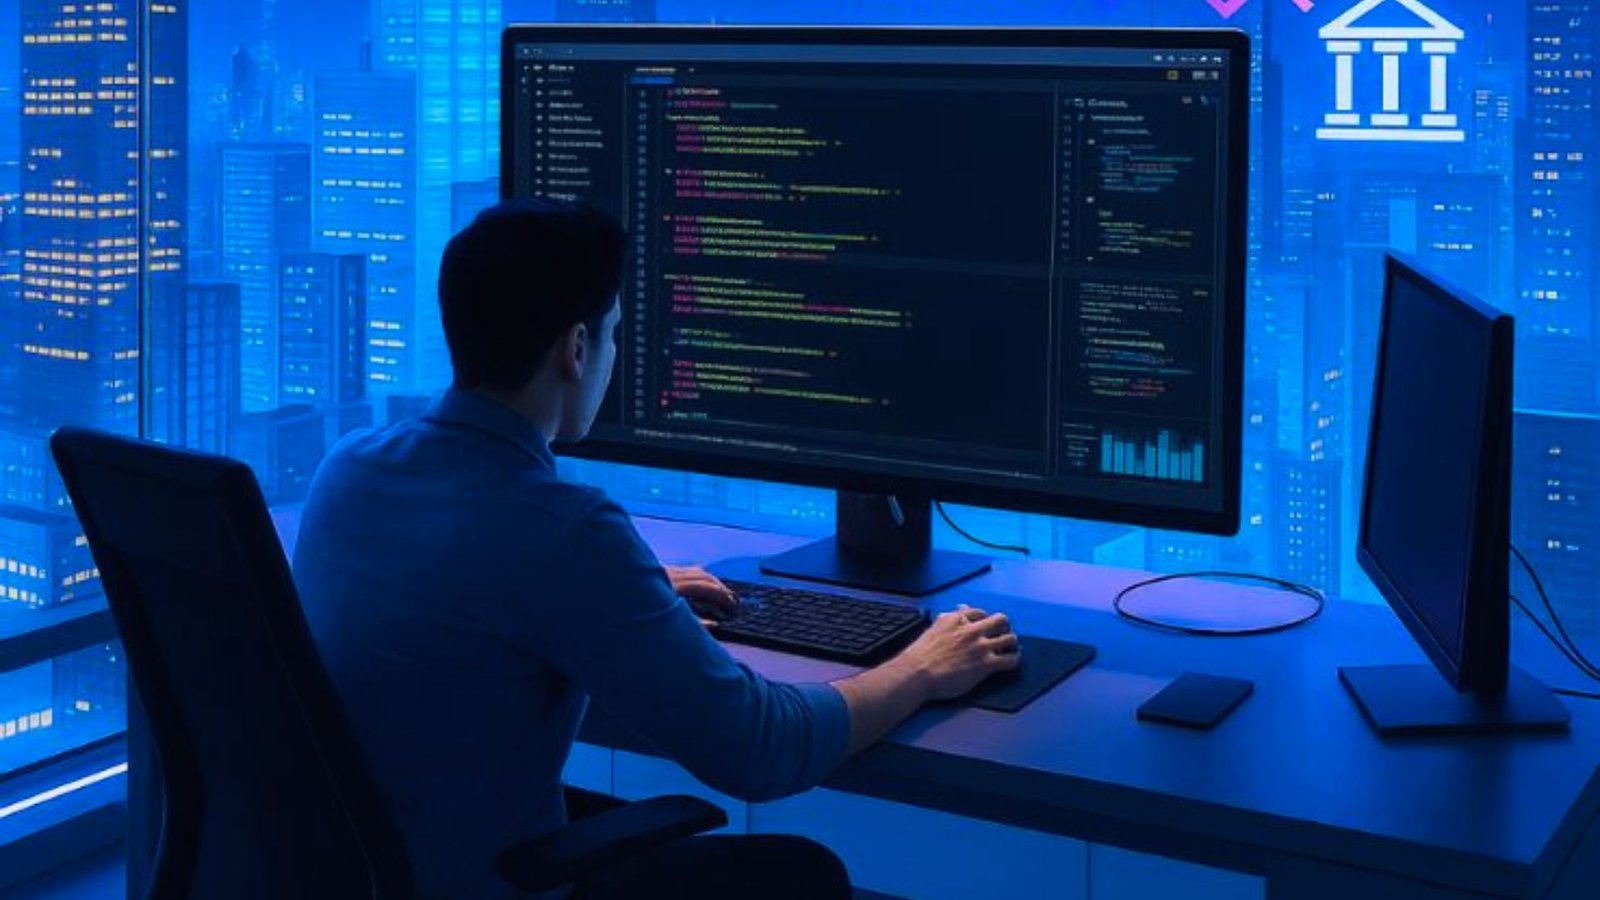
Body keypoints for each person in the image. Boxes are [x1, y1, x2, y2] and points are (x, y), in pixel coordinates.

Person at [293, 198, 1020, 899]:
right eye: (611, 333)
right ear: (576, 350)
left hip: (368, 873)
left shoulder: (351, 467)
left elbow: (462, 604)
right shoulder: (557, 530)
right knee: (805, 872)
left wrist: (627, 596)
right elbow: (760, 747)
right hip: (488, 883)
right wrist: (921, 668)